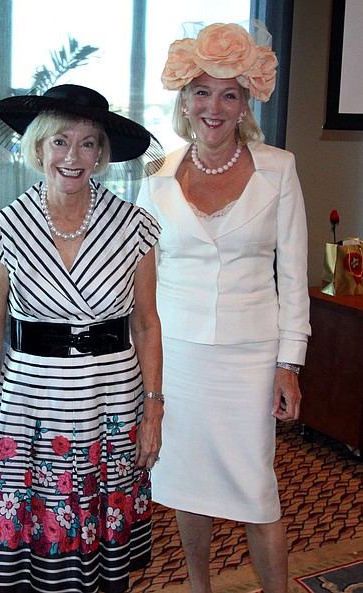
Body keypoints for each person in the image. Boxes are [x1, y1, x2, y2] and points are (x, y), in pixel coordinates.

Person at [136, 22, 310, 593]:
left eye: (229, 93)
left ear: (245, 103)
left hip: (251, 357)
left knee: (258, 491)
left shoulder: (278, 167)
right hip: (179, 356)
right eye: (202, 91)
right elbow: (142, 275)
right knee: (187, 483)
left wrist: (290, 362)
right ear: (185, 99)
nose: (214, 106)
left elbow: (294, 272)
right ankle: (198, 585)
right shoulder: (156, 174)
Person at [0, 84, 166, 593]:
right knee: (38, 550)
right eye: (60, 141)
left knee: (104, 560)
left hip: (113, 404)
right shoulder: (5, 227)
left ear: (101, 154)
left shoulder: (134, 226)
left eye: (87, 144)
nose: (72, 156)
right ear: (38, 148)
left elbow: (146, 322)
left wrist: (154, 409)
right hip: (31, 406)